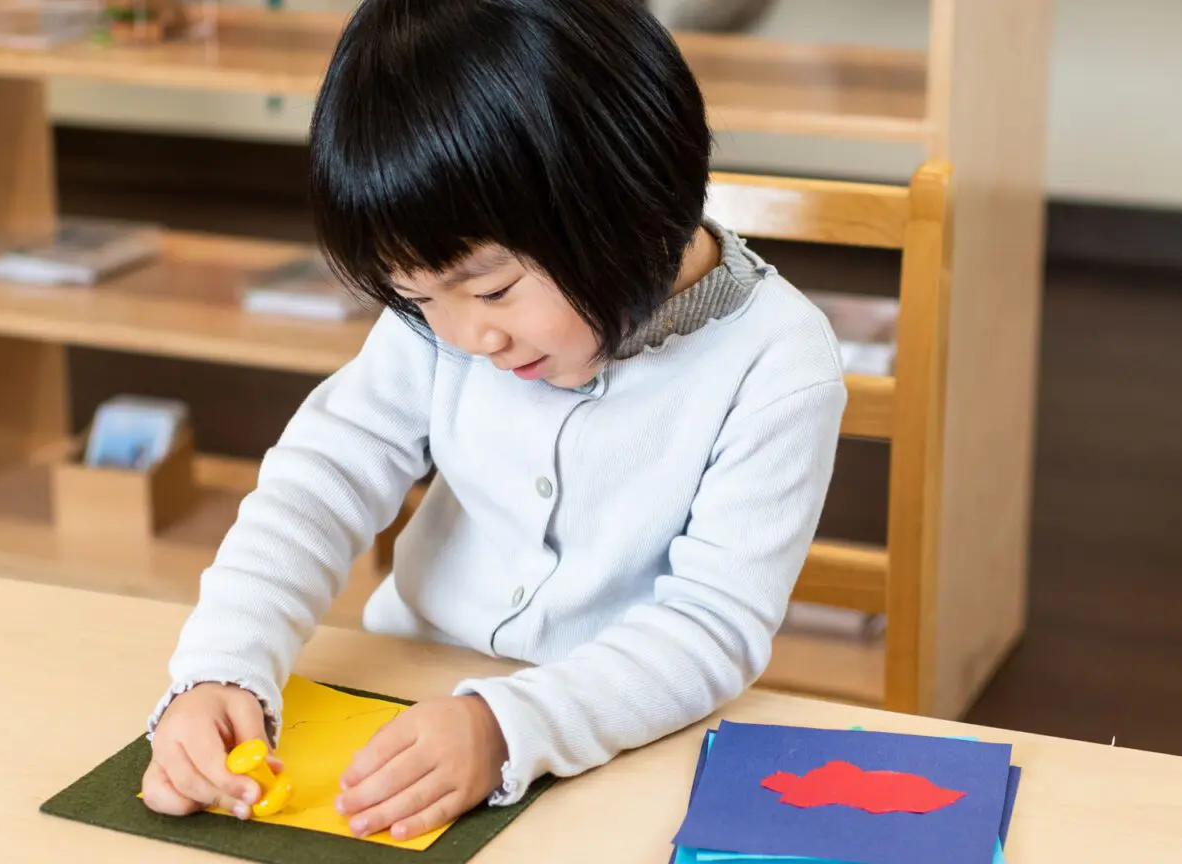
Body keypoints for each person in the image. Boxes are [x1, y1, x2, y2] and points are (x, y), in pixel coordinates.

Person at [140, 0, 847, 843]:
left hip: (622, 737)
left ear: (630, 202)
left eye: (494, 290)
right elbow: (322, 478)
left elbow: (710, 630)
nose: (468, 336)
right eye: (414, 298)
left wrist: (504, 727)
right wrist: (224, 663)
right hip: (407, 695)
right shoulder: (446, 318)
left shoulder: (778, 362)